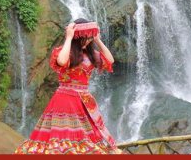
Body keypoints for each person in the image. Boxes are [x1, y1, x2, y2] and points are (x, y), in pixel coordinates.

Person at [15, 18, 121, 154]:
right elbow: (61, 60)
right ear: (77, 37)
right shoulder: (64, 52)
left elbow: (110, 60)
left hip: (84, 101)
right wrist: (69, 38)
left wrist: (98, 40)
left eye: (89, 38)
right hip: (65, 99)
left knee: (89, 140)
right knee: (63, 140)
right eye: (85, 37)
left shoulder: (91, 55)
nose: (88, 40)